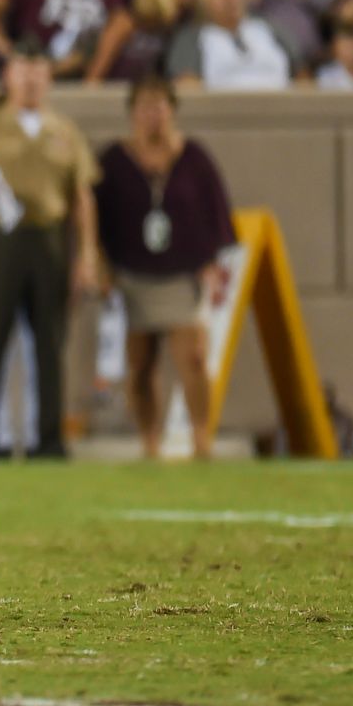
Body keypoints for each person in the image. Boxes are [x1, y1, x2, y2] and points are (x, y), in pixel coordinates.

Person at [0, 46, 100, 459]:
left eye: (38, 70)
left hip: (48, 236)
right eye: (23, 70)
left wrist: (86, 254)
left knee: (49, 342)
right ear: (9, 76)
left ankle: (46, 439)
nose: (30, 79)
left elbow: (81, 196)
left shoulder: (63, 130)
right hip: (0, 237)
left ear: (48, 78)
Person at [93, 75, 234, 460]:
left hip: (182, 274)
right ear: (131, 114)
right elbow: (95, 220)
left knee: (192, 358)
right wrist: (102, 267)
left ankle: (201, 438)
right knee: (140, 365)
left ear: (172, 111)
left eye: (159, 107)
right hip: (132, 274)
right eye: (144, 108)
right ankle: (149, 442)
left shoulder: (194, 158)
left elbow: (217, 214)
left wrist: (212, 266)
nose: (152, 116)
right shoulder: (113, 160)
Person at [165, 0, 295, 91]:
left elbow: (303, 76)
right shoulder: (191, 38)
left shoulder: (268, 28)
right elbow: (186, 87)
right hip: (221, 110)